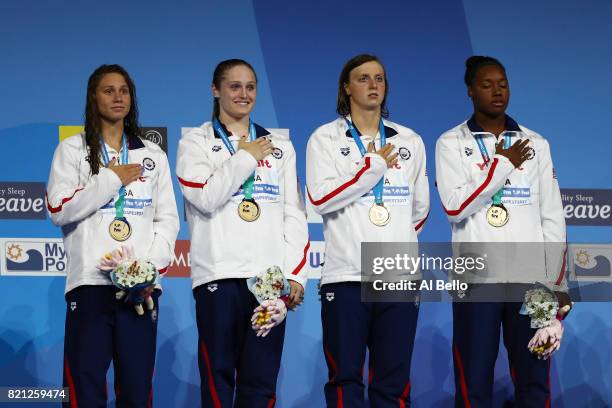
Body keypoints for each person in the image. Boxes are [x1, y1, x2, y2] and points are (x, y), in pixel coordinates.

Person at [435, 55, 571, 408]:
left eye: (503, 84)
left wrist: (556, 287)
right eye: (486, 84)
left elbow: (552, 219)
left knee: (534, 379)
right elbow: (454, 206)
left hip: (531, 281)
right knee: (473, 383)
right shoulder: (450, 143)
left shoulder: (536, 143)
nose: (497, 91)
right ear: (469, 91)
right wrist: (504, 162)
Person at [176, 58, 309, 408]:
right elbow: (205, 196)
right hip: (218, 276)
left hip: (267, 281)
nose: (244, 94)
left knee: (261, 382)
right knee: (218, 379)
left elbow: (293, 214)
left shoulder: (279, 146)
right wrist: (246, 157)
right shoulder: (196, 143)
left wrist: (294, 276)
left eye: (250, 87)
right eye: (235, 86)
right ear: (215, 90)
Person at [46, 64, 179, 407]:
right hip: (90, 286)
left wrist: (146, 272)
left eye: (124, 90)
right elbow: (58, 209)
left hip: (140, 293)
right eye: (108, 90)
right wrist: (111, 179)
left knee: (137, 391)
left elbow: (167, 221)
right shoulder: (72, 150)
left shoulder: (152, 156)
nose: (118, 97)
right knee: (84, 389)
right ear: (93, 97)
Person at [306, 54, 429, 407]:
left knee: (393, 383)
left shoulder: (410, 140)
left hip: (397, 274)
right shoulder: (325, 138)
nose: (373, 84)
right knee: (345, 380)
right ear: (346, 87)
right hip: (347, 274)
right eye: (363, 78)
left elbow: (417, 211)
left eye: (379, 78)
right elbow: (321, 197)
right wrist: (371, 169)